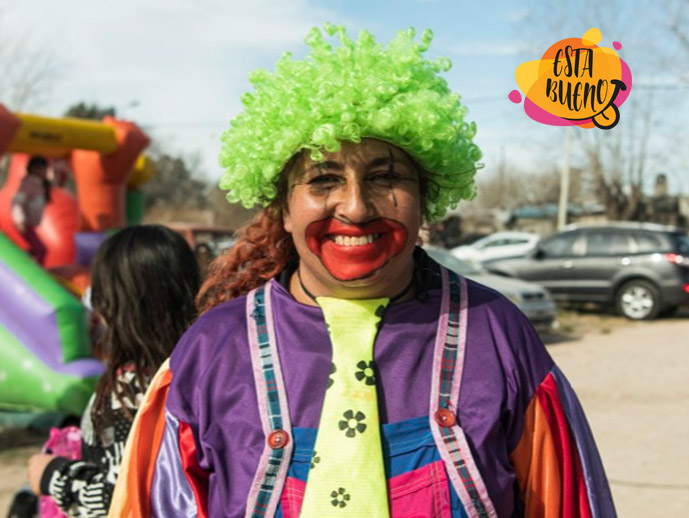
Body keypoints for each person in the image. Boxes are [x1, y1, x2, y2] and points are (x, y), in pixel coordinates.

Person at [109, 25, 616, 517]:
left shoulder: (498, 335)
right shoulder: (210, 350)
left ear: (426, 200)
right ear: (284, 209)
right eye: (324, 179)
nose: (354, 207)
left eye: (386, 177)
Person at [26, 225, 201, 517]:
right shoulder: (193, 369)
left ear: (120, 304)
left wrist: (54, 476)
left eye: (101, 293)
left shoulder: (135, 389)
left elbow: (127, 492)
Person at [11, 155, 51, 264]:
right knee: (41, 249)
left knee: (35, 249)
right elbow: (17, 201)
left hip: (30, 223)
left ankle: (15, 263)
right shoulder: (29, 183)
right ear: (34, 168)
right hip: (24, 223)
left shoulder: (40, 184)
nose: (44, 171)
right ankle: (37, 274)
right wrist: (19, 220)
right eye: (42, 168)